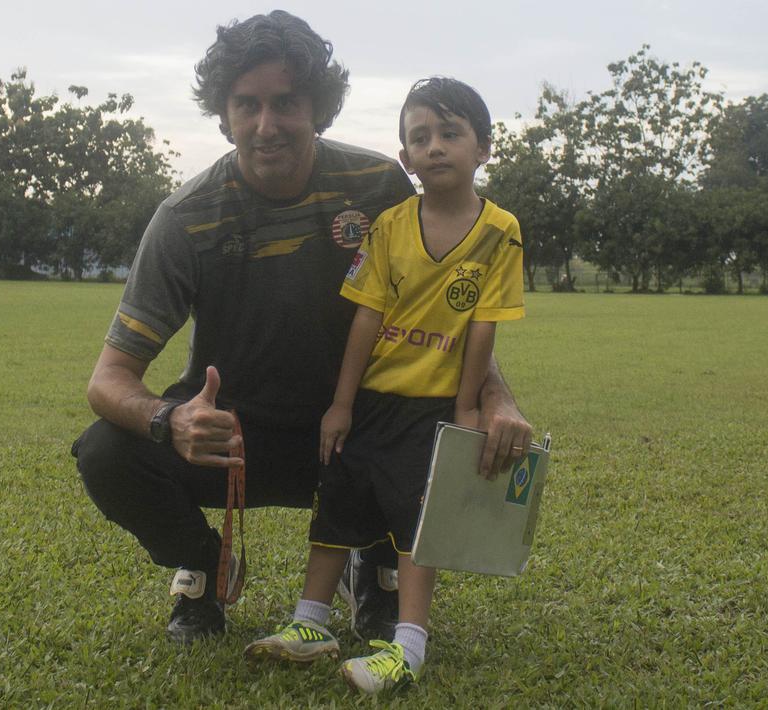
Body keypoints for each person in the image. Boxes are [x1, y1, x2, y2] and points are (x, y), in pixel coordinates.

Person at [71, 12, 533, 647]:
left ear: (319, 106)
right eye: (247, 104)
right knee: (105, 451)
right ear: (223, 112)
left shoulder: (376, 187)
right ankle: (205, 567)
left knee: (408, 435)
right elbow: (108, 380)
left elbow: (439, 312)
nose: (266, 125)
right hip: (235, 444)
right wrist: (170, 420)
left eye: (286, 102)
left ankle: (373, 569)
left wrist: (496, 396)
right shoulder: (186, 218)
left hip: (353, 430)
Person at [243, 77, 526, 695]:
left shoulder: (500, 231)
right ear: (404, 158)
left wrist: (469, 408)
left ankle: (409, 645)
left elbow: (482, 326)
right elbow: (366, 318)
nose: (434, 148)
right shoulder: (390, 226)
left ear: (484, 147)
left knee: (415, 526)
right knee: (336, 508)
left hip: (432, 411)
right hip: (371, 402)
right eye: (419, 138)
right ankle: (310, 623)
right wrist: (342, 405)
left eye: (450, 134)